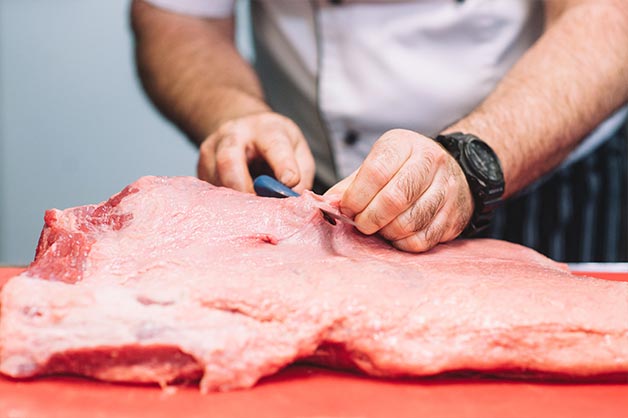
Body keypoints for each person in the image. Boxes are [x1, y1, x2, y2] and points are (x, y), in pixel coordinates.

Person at [131, 0, 628, 261]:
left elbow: (608, 14)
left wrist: (471, 163)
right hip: (312, 189)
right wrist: (232, 110)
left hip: (545, 170)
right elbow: (178, 21)